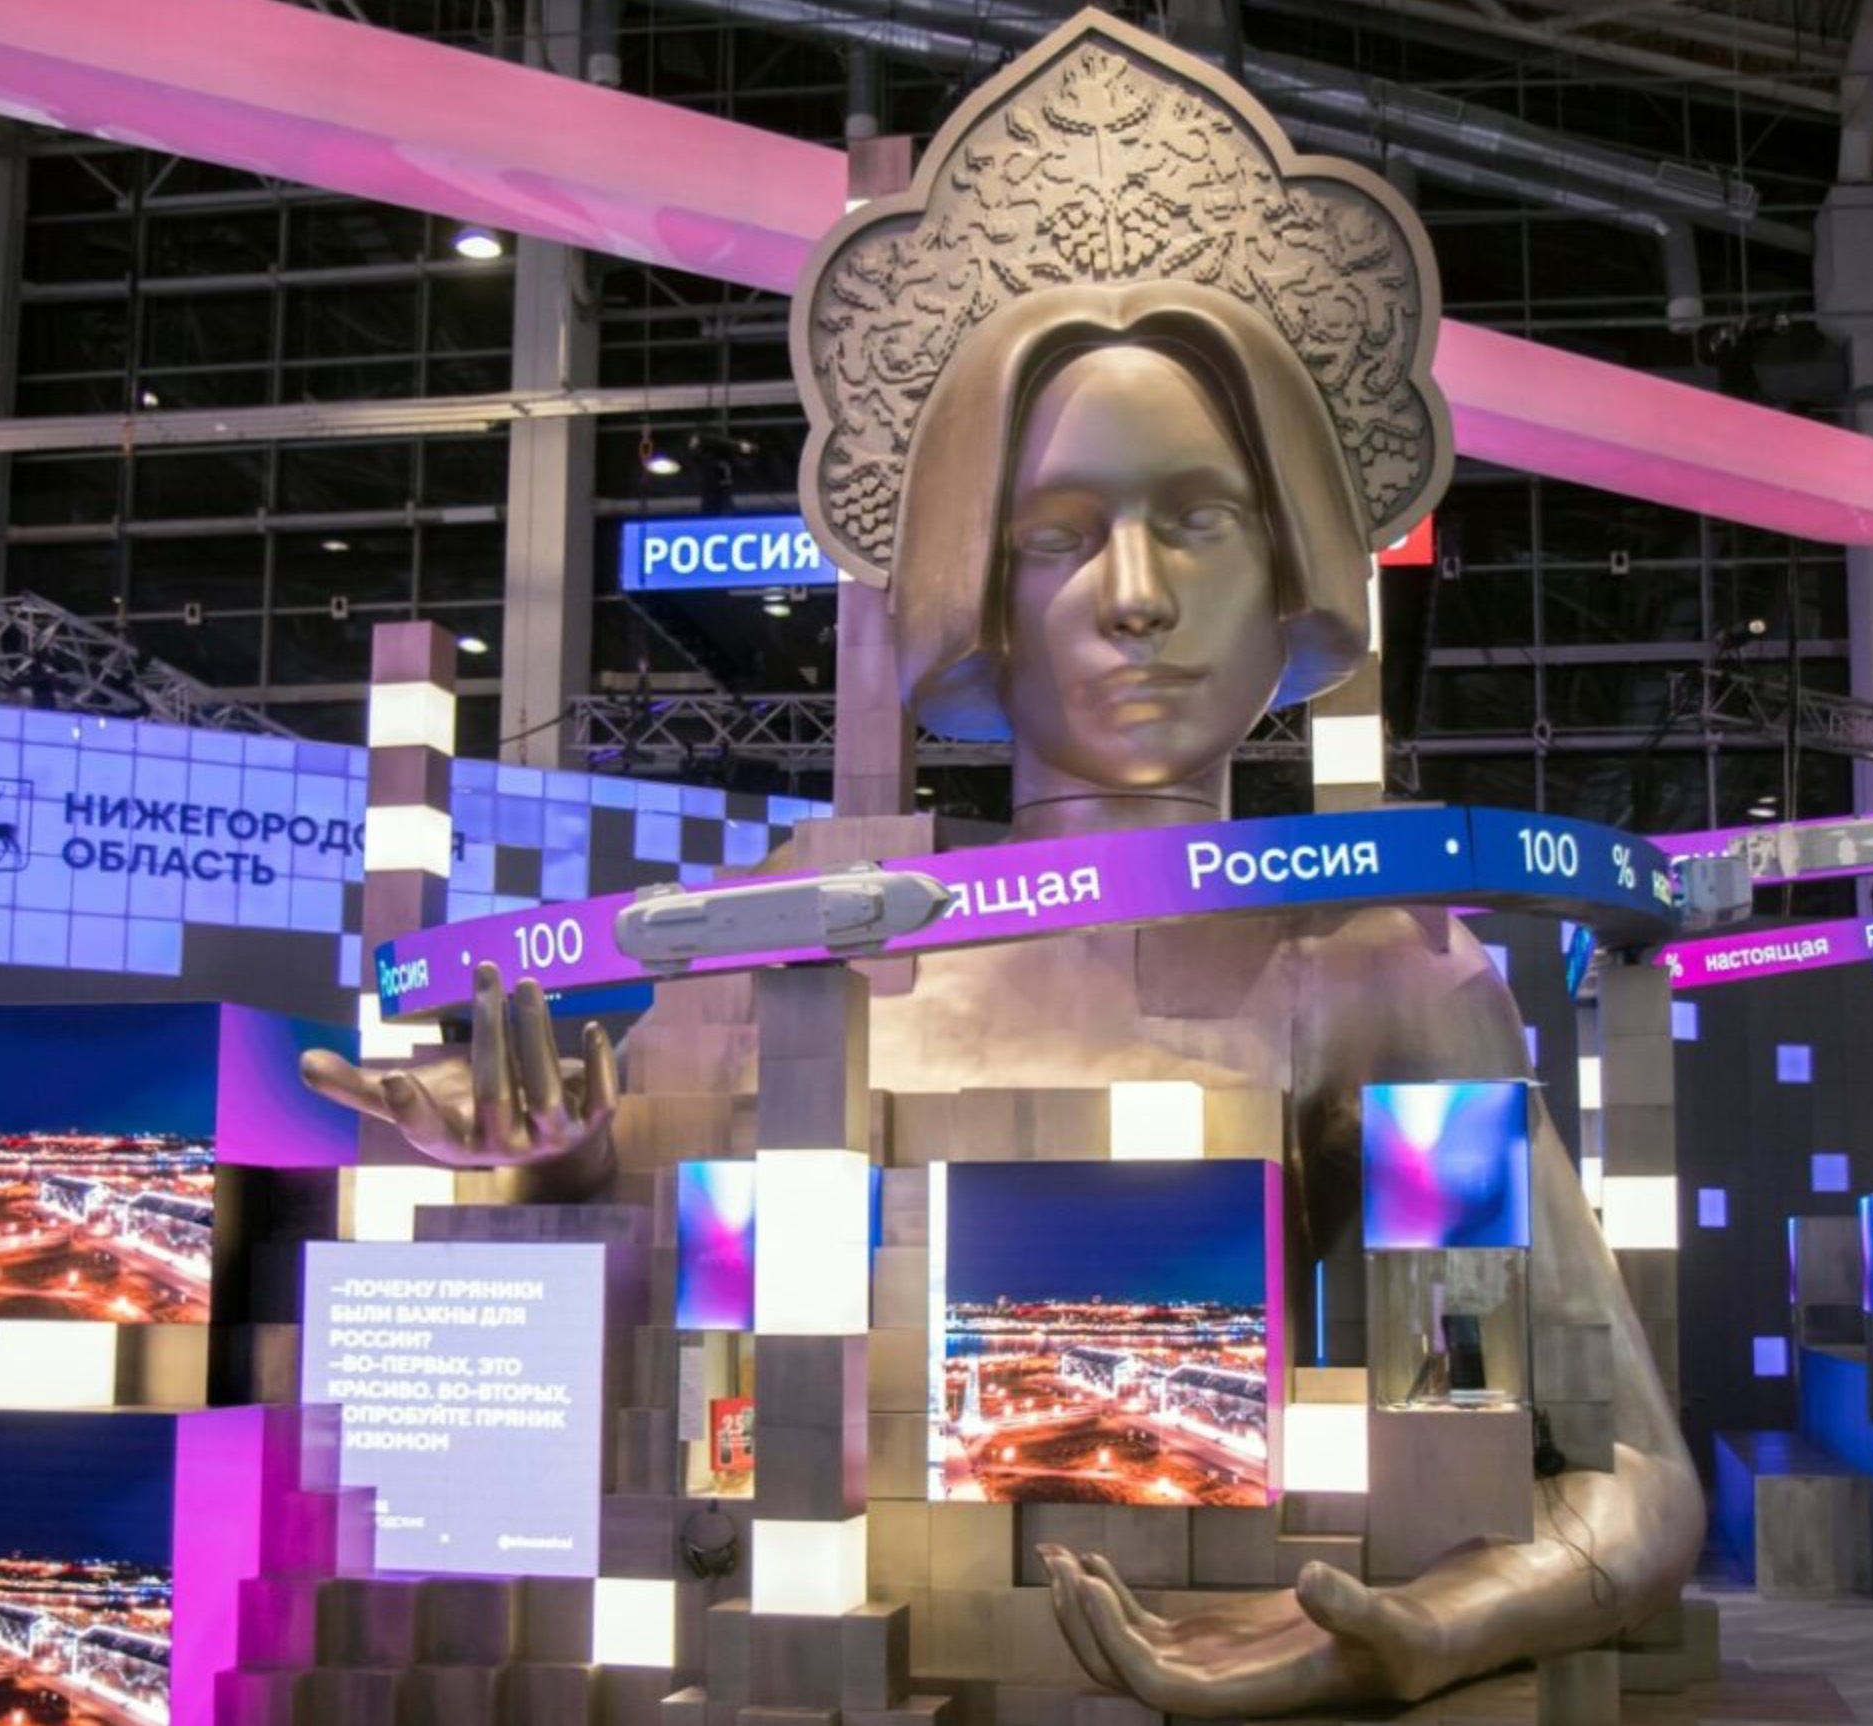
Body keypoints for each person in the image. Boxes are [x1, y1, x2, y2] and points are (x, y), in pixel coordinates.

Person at [301, 16, 1704, 1718]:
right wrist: (545, 1174)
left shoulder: (1373, 963)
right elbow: (635, 1370)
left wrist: (1424, 1621)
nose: (1134, 595)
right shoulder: (800, 929)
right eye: (1059, 534)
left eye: (1198, 516)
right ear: (976, 572)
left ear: (1290, 562)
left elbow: (1627, 1473)